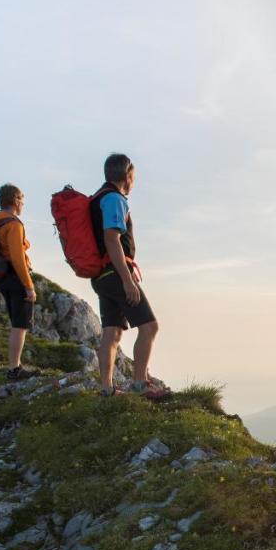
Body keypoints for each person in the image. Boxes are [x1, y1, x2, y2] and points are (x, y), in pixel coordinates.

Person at [89, 153, 169, 399]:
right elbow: (112, 239)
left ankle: (107, 388)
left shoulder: (96, 199)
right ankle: (139, 383)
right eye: (133, 177)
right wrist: (127, 279)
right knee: (149, 326)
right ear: (127, 176)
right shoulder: (114, 199)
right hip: (115, 272)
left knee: (112, 332)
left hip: (100, 275)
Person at [0, 183, 38, 380]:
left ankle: (14, 365)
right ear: (15, 200)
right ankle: (14, 368)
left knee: (16, 322)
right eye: (22, 200)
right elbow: (17, 257)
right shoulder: (13, 224)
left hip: (2, 276)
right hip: (15, 276)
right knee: (20, 325)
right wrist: (29, 286)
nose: (23, 204)